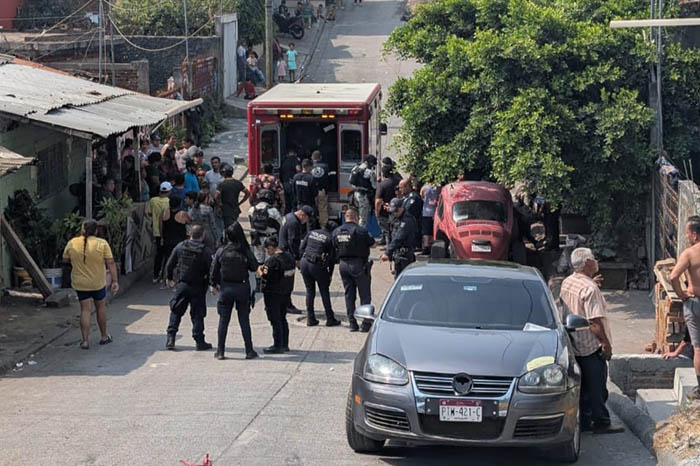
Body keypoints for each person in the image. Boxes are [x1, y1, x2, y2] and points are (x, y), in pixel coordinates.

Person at [559, 247, 625, 434]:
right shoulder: (590, 289)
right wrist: (606, 344)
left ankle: (585, 421)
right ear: (587, 262)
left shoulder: (568, 281)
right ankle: (602, 422)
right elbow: (595, 322)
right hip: (589, 346)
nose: (597, 261)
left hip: (573, 343)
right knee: (597, 388)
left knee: (584, 387)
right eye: (594, 258)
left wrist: (591, 283)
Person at [62, 219, 119, 349]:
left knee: (85, 310)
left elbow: (65, 260)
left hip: (80, 283)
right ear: (96, 231)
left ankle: (85, 341)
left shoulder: (72, 243)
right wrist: (115, 280)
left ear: (83, 229)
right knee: (100, 308)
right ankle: (104, 336)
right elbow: (110, 262)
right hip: (98, 283)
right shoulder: (102, 244)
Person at [210, 222, 259, 360]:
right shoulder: (244, 251)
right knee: (244, 320)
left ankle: (220, 351)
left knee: (223, 321)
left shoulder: (221, 251)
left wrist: (213, 284)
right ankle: (249, 350)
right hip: (242, 288)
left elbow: (214, 270)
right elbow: (254, 267)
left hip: (226, 289)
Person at [164, 225, 214, 351]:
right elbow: (212, 270)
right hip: (198, 287)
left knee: (176, 310)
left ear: (189, 234)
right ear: (202, 236)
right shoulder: (205, 251)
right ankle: (199, 341)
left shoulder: (180, 246)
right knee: (197, 315)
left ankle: (171, 338)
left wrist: (169, 278)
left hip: (183, 285)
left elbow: (170, 264)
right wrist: (213, 284)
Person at [670, 216, 700, 401]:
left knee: (698, 348)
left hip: (695, 303)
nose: (687, 237)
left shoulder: (690, 253)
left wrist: (681, 294)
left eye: (687, 233)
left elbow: (673, 276)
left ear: (695, 235)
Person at [332, 208, 375, 332]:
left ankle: (352, 323)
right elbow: (373, 244)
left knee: (349, 295)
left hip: (343, 265)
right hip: (358, 265)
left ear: (346, 217)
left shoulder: (336, 231)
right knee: (364, 295)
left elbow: (334, 246)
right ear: (356, 217)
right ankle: (365, 324)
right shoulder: (361, 230)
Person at [258, 236, 296, 353]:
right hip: (286, 292)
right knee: (283, 318)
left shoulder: (272, 261)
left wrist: (259, 270)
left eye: (266, 249)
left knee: (275, 319)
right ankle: (284, 344)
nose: (266, 252)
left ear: (270, 247)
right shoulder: (289, 257)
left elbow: (264, 275)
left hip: (273, 294)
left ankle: (277, 345)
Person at [300, 221, 341, 327]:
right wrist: (330, 275)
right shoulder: (330, 238)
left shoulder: (311, 232)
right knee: (324, 291)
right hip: (317, 265)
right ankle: (330, 318)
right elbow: (332, 259)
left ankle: (310, 318)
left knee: (310, 291)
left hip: (305, 262)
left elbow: (301, 248)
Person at [381, 198, 417, 278]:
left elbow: (398, 237)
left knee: (404, 279)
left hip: (405, 255)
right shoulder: (397, 217)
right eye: (393, 211)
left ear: (401, 208)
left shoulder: (406, 220)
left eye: (396, 211)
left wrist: (387, 252)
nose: (395, 213)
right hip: (398, 255)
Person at [248, 189, 283, 265]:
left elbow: (251, 224)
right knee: (270, 262)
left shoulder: (251, 210)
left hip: (257, 239)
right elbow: (281, 225)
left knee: (258, 261)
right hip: (270, 240)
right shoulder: (273, 211)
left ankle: (259, 272)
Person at [147, 181, 173, 284]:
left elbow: (149, 213)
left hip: (156, 231)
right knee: (168, 253)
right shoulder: (169, 201)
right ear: (169, 191)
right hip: (167, 231)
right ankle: (165, 275)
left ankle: (155, 274)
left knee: (159, 254)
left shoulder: (153, 200)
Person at [161, 196, 190, 279]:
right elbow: (190, 222)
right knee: (179, 260)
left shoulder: (164, 212)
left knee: (167, 258)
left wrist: (162, 238)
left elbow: (161, 226)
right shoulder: (182, 214)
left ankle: (165, 278)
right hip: (179, 241)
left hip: (167, 240)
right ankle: (176, 278)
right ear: (179, 204)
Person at [349, 154, 377, 227]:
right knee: (363, 218)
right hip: (363, 196)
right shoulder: (370, 172)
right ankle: (360, 232)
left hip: (355, 195)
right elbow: (374, 186)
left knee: (355, 216)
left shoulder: (355, 168)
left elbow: (351, 181)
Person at [375, 164, 399, 246]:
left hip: (384, 212)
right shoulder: (398, 182)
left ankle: (389, 248)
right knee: (395, 231)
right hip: (397, 211)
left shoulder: (383, 184)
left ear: (383, 174)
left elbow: (378, 201)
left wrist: (377, 213)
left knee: (387, 232)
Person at [398, 179, 422, 249]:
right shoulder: (407, 197)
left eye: (401, 187)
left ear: (407, 186)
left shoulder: (413, 197)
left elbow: (408, 210)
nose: (400, 190)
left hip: (412, 224)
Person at [311, 151, 330, 226]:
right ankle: (323, 226)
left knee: (312, 208)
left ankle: (312, 225)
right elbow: (328, 179)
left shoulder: (310, 167)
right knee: (323, 209)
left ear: (312, 157)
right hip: (322, 190)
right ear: (320, 157)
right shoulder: (325, 166)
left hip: (312, 191)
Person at [420, 183, 439, 255]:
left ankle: (426, 247)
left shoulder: (424, 187)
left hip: (426, 212)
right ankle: (432, 246)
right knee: (432, 231)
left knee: (426, 232)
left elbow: (421, 196)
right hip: (435, 212)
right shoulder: (437, 187)